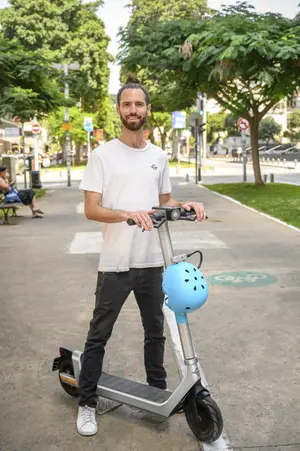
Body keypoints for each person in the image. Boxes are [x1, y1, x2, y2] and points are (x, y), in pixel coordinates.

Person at [77, 75, 206, 436]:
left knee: (156, 332)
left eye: (139, 104)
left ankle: (158, 393)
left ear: (148, 109)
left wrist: (187, 204)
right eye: (127, 104)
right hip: (117, 261)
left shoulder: (158, 156)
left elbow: (165, 201)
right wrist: (127, 214)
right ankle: (87, 403)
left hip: (152, 263)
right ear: (119, 109)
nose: (133, 110)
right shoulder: (102, 155)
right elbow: (92, 208)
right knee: (99, 334)